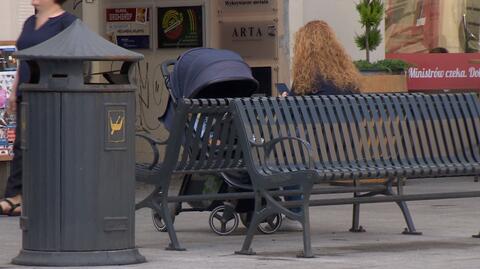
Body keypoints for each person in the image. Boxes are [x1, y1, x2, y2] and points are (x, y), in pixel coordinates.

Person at [280, 20, 362, 227]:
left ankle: (293, 210)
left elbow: (292, 116)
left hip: (316, 151)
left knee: (283, 151)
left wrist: (285, 99)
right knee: (294, 149)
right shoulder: (349, 79)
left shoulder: (308, 78)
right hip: (348, 150)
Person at [0, 0, 76, 216]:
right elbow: (22, 60)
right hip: (27, 91)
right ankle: (16, 195)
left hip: (49, 94)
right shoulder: (29, 22)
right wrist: (14, 90)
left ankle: (39, 196)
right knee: (22, 144)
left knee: (46, 146)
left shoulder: (68, 23)